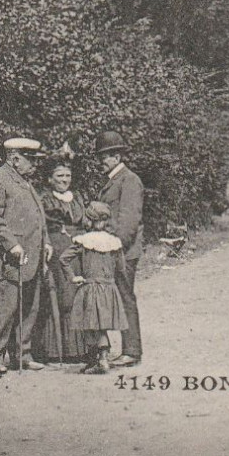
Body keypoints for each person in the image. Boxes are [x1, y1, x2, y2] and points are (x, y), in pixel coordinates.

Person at [0, 137, 52, 374]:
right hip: (4, 260)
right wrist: (11, 244)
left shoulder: (24, 182)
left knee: (28, 308)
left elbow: (38, 218)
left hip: (29, 259)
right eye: (30, 159)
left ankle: (22, 355)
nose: (34, 165)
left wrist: (47, 242)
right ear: (14, 158)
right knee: (6, 309)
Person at [93, 130, 145, 367]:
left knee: (125, 298)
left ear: (116, 156)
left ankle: (132, 350)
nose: (101, 161)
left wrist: (114, 245)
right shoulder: (112, 181)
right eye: (100, 156)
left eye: (105, 156)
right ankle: (117, 349)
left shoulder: (130, 180)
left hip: (123, 251)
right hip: (111, 249)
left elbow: (129, 221)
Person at [60, 202, 129, 375]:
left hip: (90, 287)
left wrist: (73, 276)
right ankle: (99, 359)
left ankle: (101, 361)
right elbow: (121, 268)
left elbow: (63, 259)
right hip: (108, 287)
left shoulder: (84, 241)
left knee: (91, 326)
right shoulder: (114, 242)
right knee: (101, 326)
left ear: (88, 220)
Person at [35, 160, 88, 364]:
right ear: (50, 179)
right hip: (58, 248)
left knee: (78, 292)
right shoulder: (46, 200)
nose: (64, 180)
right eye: (60, 176)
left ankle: (80, 348)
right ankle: (56, 349)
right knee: (62, 294)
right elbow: (44, 227)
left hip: (79, 247)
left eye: (67, 176)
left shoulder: (78, 198)